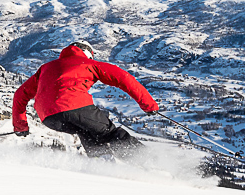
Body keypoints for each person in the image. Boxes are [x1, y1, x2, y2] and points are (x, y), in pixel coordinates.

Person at [12, 40, 159, 157]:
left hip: (49, 118)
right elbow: (124, 79)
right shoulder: (89, 64)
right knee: (109, 133)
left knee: (87, 131)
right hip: (75, 107)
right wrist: (149, 105)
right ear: (88, 54)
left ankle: (102, 164)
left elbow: (20, 95)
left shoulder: (45, 68)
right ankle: (149, 161)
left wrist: (21, 127)